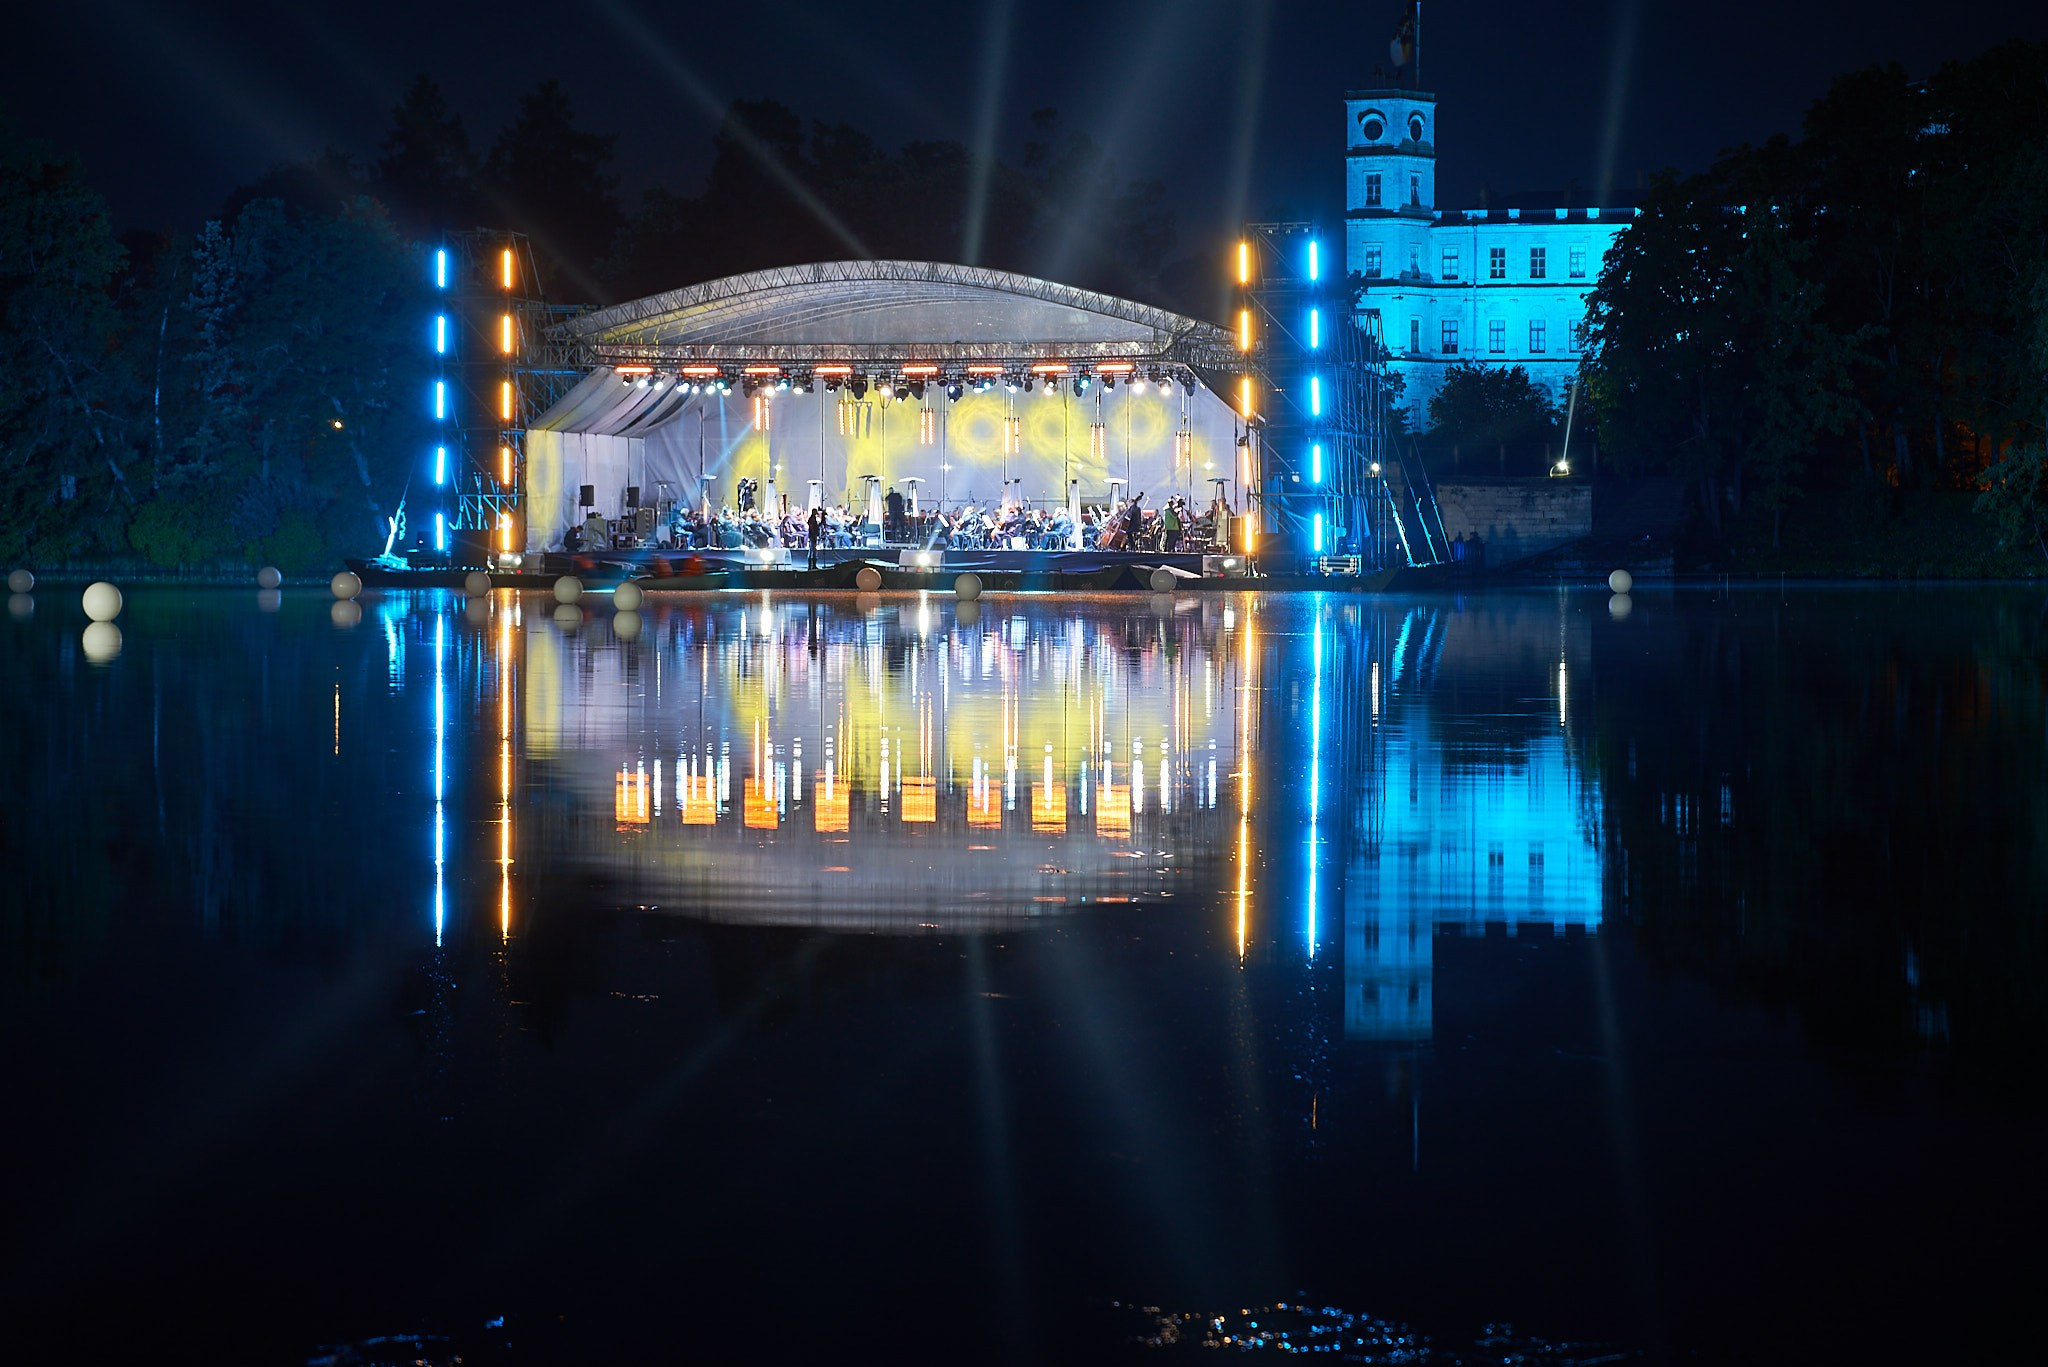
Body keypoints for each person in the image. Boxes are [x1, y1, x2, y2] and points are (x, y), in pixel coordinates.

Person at [806, 504, 827, 569]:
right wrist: (814, 535)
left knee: (812, 550)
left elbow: (816, 526)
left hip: (813, 535)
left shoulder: (813, 519)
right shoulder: (812, 519)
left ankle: (812, 564)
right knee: (813, 550)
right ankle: (812, 565)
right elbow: (812, 528)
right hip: (813, 536)